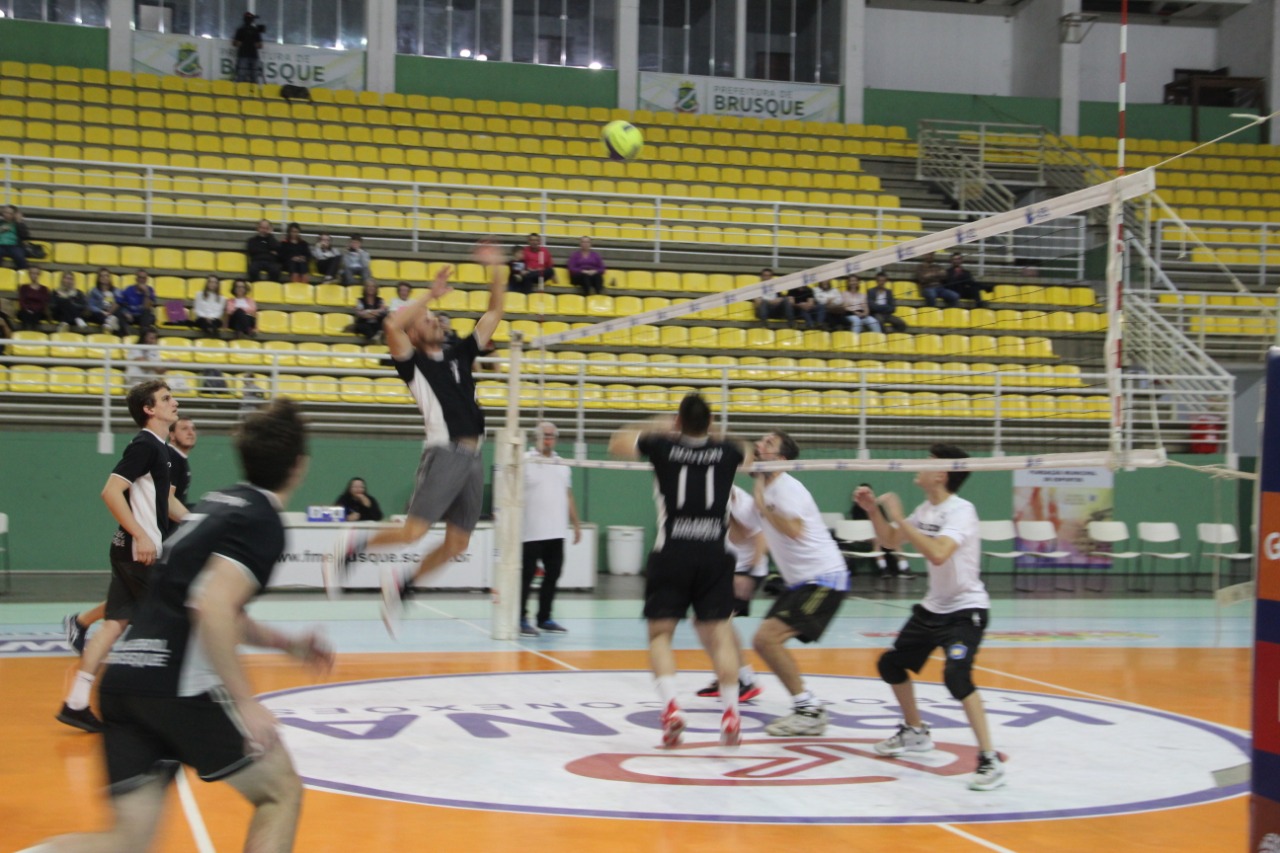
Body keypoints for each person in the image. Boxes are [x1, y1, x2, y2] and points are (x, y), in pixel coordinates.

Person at [30, 399, 333, 853]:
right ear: (300, 465)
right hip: (178, 688)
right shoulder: (262, 520)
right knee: (281, 792)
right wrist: (247, 703)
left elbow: (212, 602)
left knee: (126, 843)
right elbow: (212, 605)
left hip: (126, 680)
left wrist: (287, 645)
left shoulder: (217, 502)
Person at [326, 242, 507, 634]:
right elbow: (391, 326)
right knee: (413, 532)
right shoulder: (413, 364)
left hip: (475, 457)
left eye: (435, 316)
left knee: (458, 544)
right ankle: (350, 548)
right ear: (413, 331)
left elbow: (495, 312)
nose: (435, 320)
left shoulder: (460, 353)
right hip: (445, 451)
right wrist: (429, 294)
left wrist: (496, 269)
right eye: (425, 318)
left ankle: (401, 587)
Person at [854, 444, 1005, 791]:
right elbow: (892, 541)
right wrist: (873, 512)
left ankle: (988, 759)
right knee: (891, 665)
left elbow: (938, 554)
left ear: (942, 474)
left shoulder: (961, 511)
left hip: (966, 610)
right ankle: (915, 732)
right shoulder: (926, 509)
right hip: (933, 607)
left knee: (956, 677)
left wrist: (901, 517)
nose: (918, 466)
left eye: (929, 463)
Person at [608, 393, 750, 748]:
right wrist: (715, 436)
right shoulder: (729, 451)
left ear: (678, 421)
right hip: (714, 553)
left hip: (672, 551)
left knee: (660, 635)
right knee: (720, 634)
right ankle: (731, 712)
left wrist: (658, 426)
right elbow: (748, 452)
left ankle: (672, 707)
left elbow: (617, 443)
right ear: (711, 422)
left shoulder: (661, 445)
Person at [55, 379, 187, 734]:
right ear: (150, 409)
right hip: (138, 553)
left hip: (129, 551)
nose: (175, 403)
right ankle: (161, 706)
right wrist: (141, 534)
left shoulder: (159, 448)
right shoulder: (146, 444)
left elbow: (163, 502)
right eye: (167, 399)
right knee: (174, 622)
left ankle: (77, 702)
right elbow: (111, 491)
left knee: (114, 623)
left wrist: (195, 521)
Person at [732, 430, 849, 737]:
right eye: (759, 441)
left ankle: (808, 709)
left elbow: (794, 529)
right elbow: (740, 534)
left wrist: (760, 502)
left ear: (781, 459)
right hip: (801, 583)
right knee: (763, 641)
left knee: (766, 639)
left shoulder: (786, 487)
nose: (759, 445)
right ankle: (806, 706)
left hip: (825, 579)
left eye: (767, 444)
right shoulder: (765, 486)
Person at [64, 418, 198, 656]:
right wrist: (192, 524)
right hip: (145, 543)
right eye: (184, 428)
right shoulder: (162, 454)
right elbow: (164, 502)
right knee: (167, 609)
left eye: (193, 429)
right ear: (172, 434)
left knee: (121, 615)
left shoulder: (173, 458)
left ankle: (81, 632)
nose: (191, 432)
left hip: (141, 542)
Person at [695, 484, 767, 703]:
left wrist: (749, 573)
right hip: (727, 570)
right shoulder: (708, 494)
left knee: (719, 623)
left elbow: (761, 538)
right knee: (701, 622)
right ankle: (725, 674)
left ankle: (743, 679)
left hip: (744, 572)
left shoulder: (741, 503)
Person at [519, 422, 583, 637]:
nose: (548, 439)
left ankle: (544, 617)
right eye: (544, 435)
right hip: (530, 532)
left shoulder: (562, 464)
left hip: (556, 532)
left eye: (552, 435)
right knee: (526, 577)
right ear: (535, 437)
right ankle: (521, 618)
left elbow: (568, 495)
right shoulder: (525, 461)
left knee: (553, 574)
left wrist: (576, 524)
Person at [232, 11, 264, 84]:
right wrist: (240, 43)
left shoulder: (255, 30)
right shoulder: (241, 30)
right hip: (244, 55)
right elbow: (234, 43)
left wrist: (255, 44)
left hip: (252, 55)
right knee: (241, 75)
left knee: (254, 76)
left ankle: (253, 92)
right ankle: (239, 91)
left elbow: (260, 45)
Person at [86, 269, 121, 333]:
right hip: (100, 313)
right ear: (98, 279)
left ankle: (108, 324)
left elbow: (120, 301)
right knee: (94, 314)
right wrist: (101, 311)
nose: (105, 278)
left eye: (106, 276)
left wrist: (110, 311)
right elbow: (91, 306)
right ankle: (108, 323)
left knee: (120, 310)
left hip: (112, 312)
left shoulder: (116, 290)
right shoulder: (94, 291)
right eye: (102, 276)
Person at [17, 265, 51, 330]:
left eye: (36, 274)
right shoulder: (24, 287)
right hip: (26, 310)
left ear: (39, 275)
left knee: (35, 316)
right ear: (29, 274)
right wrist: (28, 309)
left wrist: (34, 310)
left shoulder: (44, 289)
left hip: (39, 311)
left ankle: (33, 334)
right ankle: (25, 333)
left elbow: (43, 303)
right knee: (25, 315)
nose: (34, 275)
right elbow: (22, 301)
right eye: (32, 273)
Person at [0, 203, 32, 270]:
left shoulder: (18, 224)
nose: (6, 214)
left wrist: (19, 222)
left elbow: (25, 236)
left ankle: (23, 275)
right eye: (5, 212)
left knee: (20, 257)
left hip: (14, 246)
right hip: (1, 245)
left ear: (13, 214)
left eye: (9, 213)